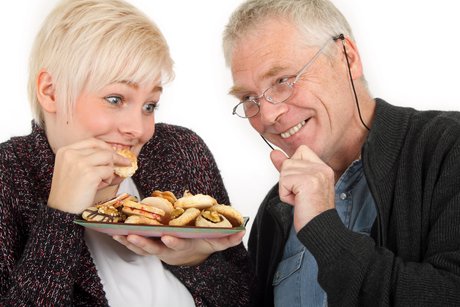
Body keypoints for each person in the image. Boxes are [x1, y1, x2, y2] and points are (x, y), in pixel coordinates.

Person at [0, 0, 253, 306]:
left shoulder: (179, 150)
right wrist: (59, 216)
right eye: (116, 98)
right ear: (51, 91)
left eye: (150, 105)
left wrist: (194, 260)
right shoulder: (8, 176)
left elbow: (249, 293)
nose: (139, 129)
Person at [222, 0, 460, 306]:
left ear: (347, 58)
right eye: (248, 97)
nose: (267, 115)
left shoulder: (447, 148)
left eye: (282, 80)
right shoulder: (276, 209)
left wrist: (322, 226)